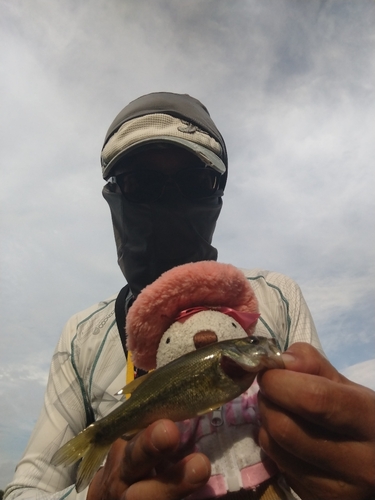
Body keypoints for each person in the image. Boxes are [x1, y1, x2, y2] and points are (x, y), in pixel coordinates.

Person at [4, 92, 375, 500]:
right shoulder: (80, 338)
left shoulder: (278, 298)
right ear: (112, 195)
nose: (167, 201)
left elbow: (321, 450)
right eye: (140, 183)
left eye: (195, 182)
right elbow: (26, 489)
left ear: (217, 196)